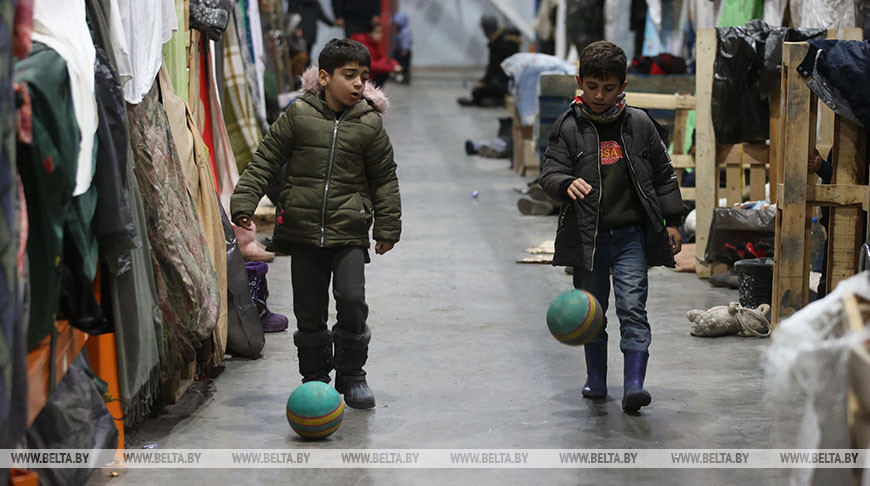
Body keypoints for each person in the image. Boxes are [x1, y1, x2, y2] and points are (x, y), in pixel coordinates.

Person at [231, 39, 402, 409]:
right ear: (324, 77)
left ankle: (353, 374)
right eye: (349, 75)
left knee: (352, 300)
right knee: (309, 311)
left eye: (363, 77)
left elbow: (385, 179)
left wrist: (387, 226)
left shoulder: (369, 124)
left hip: (349, 232)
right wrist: (244, 201)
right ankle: (314, 378)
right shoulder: (298, 115)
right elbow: (265, 159)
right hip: (303, 231)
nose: (359, 84)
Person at [539, 41, 683, 413]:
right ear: (580, 82)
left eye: (608, 88)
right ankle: (597, 380)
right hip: (588, 238)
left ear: (623, 86)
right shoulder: (568, 126)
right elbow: (550, 172)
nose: (599, 96)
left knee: (634, 307)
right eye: (592, 86)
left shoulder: (639, 124)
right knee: (593, 310)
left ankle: (634, 385)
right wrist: (564, 182)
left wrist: (673, 222)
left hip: (631, 237)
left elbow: (665, 177)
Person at [457, 15, 522, 107]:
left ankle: (496, 100)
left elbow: (497, 69)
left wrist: (486, 83)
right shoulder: (500, 41)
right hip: (506, 81)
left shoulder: (501, 44)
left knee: (479, 92)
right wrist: (484, 81)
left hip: (507, 83)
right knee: (479, 90)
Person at [351, 20, 401, 87]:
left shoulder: (374, 44)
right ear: (369, 33)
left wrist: (394, 64)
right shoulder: (363, 45)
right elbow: (370, 65)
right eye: (378, 32)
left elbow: (384, 57)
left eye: (381, 32)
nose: (381, 35)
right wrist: (391, 67)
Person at [392, 11, 413, 83]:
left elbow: (406, 42)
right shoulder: (400, 30)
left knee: (404, 66)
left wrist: (404, 51)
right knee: (400, 64)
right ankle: (400, 77)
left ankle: (405, 78)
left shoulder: (405, 31)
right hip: (400, 50)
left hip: (403, 51)